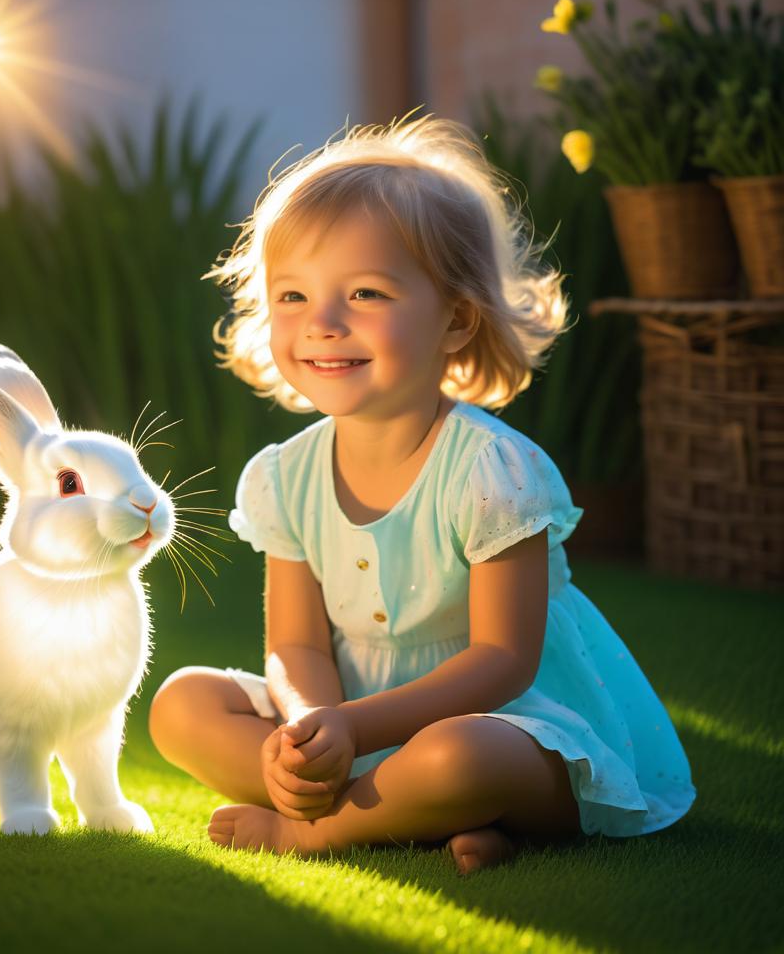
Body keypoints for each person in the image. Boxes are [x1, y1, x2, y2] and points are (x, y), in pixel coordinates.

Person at [147, 114, 695, 874]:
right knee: (182, 705)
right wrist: (310, 729)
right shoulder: (287, 475)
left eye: (366, 293)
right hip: (351, 723)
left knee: (458, 759)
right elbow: (297, 645)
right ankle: (405, 813)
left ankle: (316, 831)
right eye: (294, 296)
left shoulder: (491, 472)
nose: (324, 324)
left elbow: (503, 660)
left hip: (502, 724)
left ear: (456, 320)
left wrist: (354, 727)